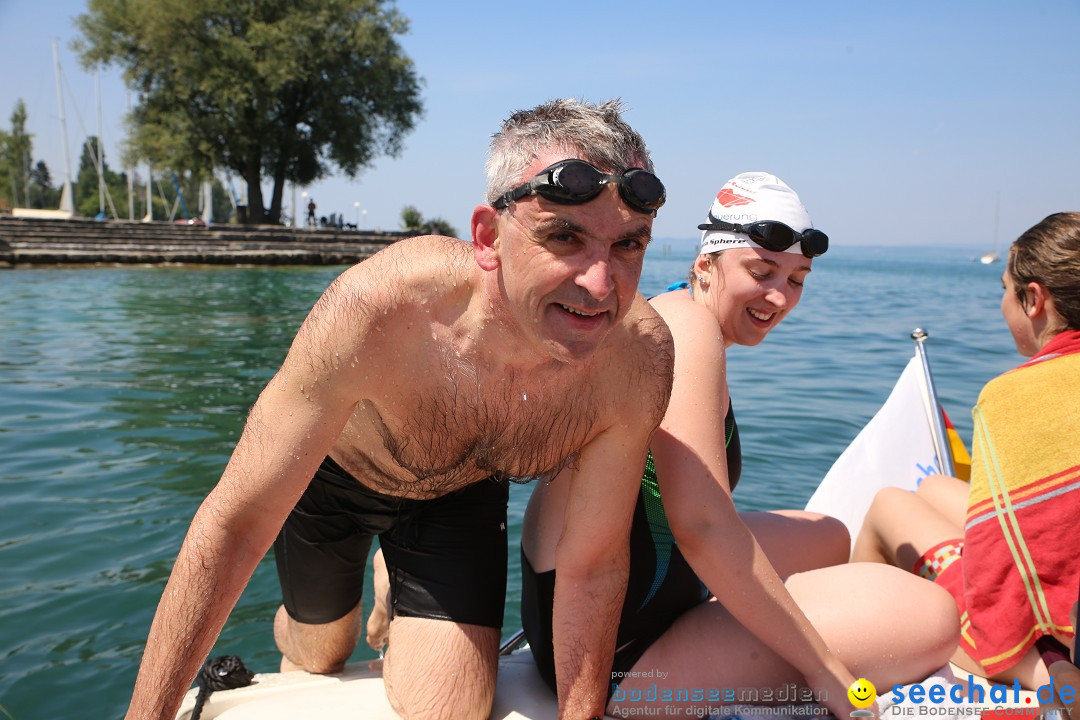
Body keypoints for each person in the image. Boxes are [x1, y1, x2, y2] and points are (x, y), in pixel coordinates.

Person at [123, 99, 675, 720]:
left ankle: (396, 574)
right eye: (564, 236)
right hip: (336, 481)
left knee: (454, 710)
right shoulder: (382, 308)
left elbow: (593, 561)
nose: (602, 287)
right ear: (488, 238)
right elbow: (236, 522)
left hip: (460, 493)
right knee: (321, 654)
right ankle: (348, 594)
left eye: (629, 244)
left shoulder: (637, 359)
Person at [521, 172, 961, 718]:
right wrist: (827, 670)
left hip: (600, 600)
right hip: (612, 657)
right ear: (707, 265)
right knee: (934, 617)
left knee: (829, 536)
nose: (780, 296)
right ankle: (833, 637)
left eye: (798, 278)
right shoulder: (686, 331)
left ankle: (821, 614)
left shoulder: (673, 314)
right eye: (762, 272)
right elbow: (703, 528)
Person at [854, 212, 1080, 691]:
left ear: (1034, 299)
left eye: (1004, 289)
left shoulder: (1017, 396)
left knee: (889, 504)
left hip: (1060, 637)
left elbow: (1004, 585)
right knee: (935, 485)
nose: (1002, 305)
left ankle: (856, 651)